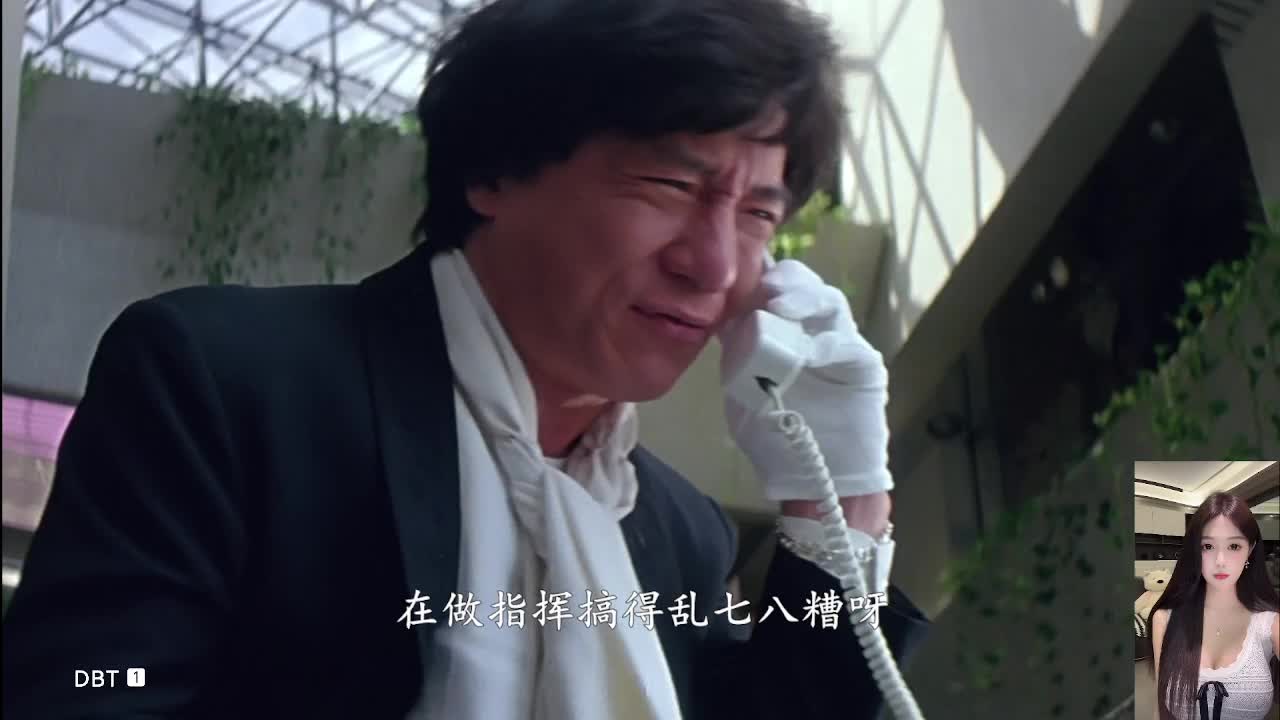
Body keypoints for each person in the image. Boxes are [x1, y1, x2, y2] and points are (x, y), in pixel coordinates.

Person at [1, 0, 931, 718]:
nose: (715, 264)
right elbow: (89, 683)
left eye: (759, 213)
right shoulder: (229, 383)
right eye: (668, 183)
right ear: (493, 169)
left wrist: (843, 499)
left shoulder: (681, 535)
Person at [1151, 492, 1280, 720]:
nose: (1220, 561)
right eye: (1208, 546)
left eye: (1234, 546)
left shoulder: (1269, 623)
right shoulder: (1165, 619)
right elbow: (1160, 708)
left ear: (1250, 549)